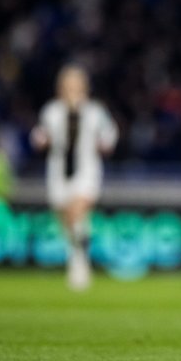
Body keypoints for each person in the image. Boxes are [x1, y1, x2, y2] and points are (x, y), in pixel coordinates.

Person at [30, 65, 118, 291]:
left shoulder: (95, 112)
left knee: (77, 210)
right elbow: (39, 135)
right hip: (58, 172)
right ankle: (77, 256)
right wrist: (41, 141)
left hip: (86, 170)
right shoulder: (51, 111)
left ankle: (79, 264)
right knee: (66, 218)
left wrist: (105, 144)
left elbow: (110, 135)